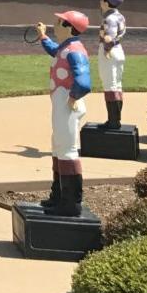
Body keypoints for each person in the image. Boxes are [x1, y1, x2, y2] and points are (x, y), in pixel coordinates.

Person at [33, 11, 92, 216]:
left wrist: (74, 97)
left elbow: (84, 82)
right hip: (61, 102)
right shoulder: (65, 48)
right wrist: (43, 36)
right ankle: (58, 196)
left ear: (68, 27)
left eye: (58, 22)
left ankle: (71, 202)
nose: (54, 24)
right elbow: (54, 51)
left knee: (67, 150)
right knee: (58, 147)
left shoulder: (75, 50)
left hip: (68, 103)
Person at [97, 0, 127, 128]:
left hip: (110, 51)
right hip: (119, 51)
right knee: (117, 85)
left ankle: (113, 122)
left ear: (106, 3)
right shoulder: (120, 16)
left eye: (103, 0)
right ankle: (115, 120)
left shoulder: (109, 18)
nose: (100, 1)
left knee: (110, 86)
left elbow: (109, 37)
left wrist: (107, 49)